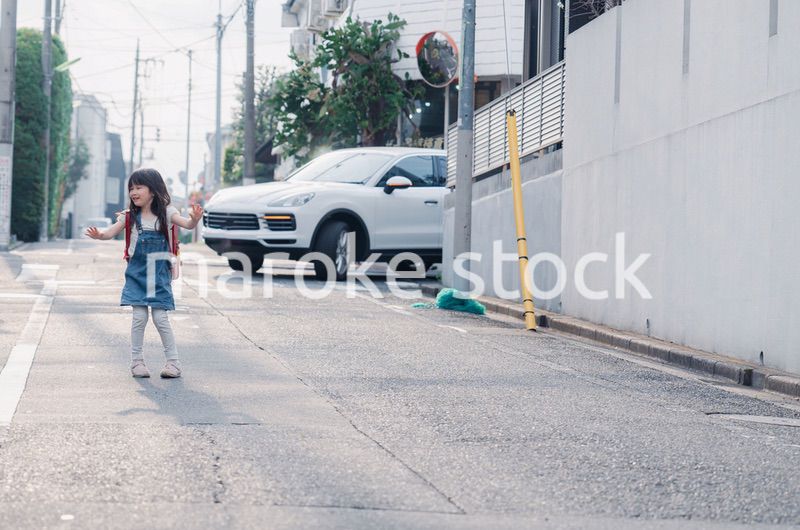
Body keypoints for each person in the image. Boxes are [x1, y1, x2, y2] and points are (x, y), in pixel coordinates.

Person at [85, 168, 203, 379]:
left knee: (160, 317)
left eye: (139, 187)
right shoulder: (129, 216)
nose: (133, 192)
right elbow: (109, 233)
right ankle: (137, 362)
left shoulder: (167, 212)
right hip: (137, 273)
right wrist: (99, 235)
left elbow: (187, 224)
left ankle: (173, 363)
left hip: (159, 274)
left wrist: (194, 219)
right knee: (139, 316)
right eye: (131, 188)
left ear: (153, 190)